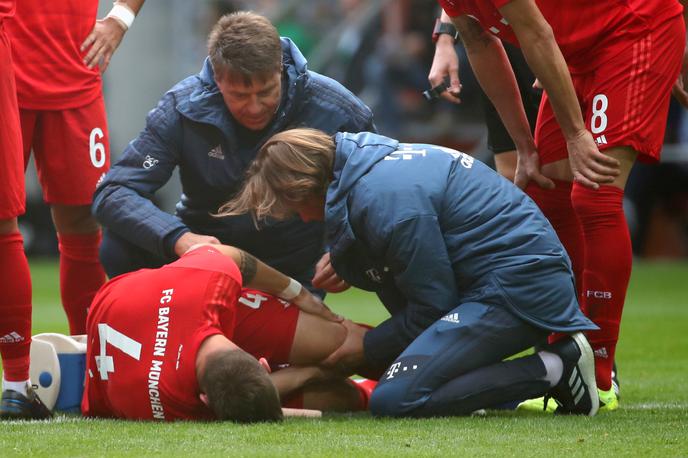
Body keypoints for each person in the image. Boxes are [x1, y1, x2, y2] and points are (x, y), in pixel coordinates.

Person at [218, 128, 600, 417]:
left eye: (295, 207)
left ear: (304, 185)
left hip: (515, 287)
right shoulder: (367, 171)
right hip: (505, 280)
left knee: (393, 398)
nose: (302, 218)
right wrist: (350, 259)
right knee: (391, 366)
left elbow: (432, 305)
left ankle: (556, 366)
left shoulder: (385, 201)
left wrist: (364, 347)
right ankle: (469, 381)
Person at [430, 0, 687, 409]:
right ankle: (565, 360)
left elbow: (536, 33)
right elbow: (479, 44)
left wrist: (576, 134)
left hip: (634, 30)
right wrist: (524, 147)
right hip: (575, 54)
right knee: (545, 192)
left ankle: (599, 374)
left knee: (594, 193)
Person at [92, 11, 375, 296]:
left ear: (280, 68)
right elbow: (114, 192)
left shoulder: (337, 109)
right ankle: (152, 329)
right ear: (217, 77)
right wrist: (179, 238)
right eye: (239, 95)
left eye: (265, 93)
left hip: (291, 268)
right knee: (119, 242)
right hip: (204, 258)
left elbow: (377, 194)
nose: (254, 107)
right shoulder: (181, 107)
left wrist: (345, 250)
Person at [1, 0, 144, 420]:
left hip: (75, 70)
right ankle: (15, 383)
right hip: (8, 71)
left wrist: (121, 18)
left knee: (82, 221)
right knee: (3, 223)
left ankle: (89, 374)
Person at [82, 243, 370, 422]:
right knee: (336, 396)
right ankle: (373, 393)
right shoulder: (178, 401)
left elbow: (234, 257)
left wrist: (299, 293)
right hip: (134, 311)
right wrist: (313, 373)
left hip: (167, 304)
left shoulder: (173, 403)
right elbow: (241, 399)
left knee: (337, 342)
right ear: (263, 363)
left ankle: (405, 367)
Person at [428, 13, 540, 182]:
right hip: (498, 47)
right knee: (514, 176)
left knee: (565, 169)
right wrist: (445, 38)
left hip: (551, 38)